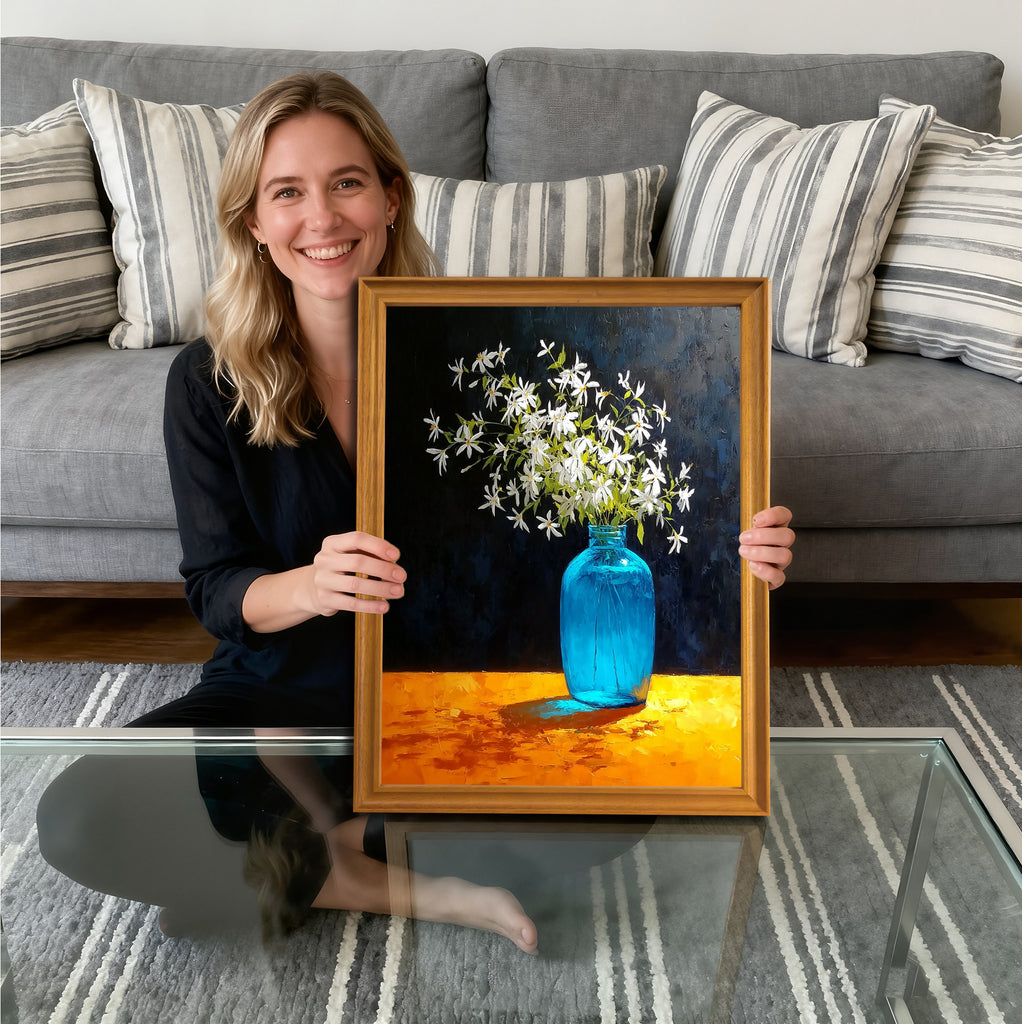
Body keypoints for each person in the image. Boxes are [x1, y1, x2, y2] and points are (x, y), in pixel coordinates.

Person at [38, 71, 795, 954]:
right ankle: (395, 879)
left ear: (391, 198)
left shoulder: (479, 356)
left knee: (636, 797)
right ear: (254, 221)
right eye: (287, 193)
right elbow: (216, 590)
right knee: (78, 819)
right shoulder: (206, 382)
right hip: (276, 698)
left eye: (347, 183)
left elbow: (583, 527)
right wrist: (313, 585)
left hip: (439, 702)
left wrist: (734, 549)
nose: (321, 219)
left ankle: (302, 861)